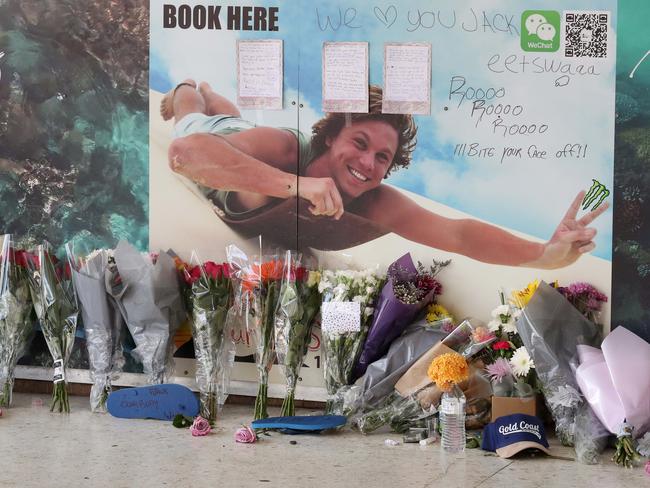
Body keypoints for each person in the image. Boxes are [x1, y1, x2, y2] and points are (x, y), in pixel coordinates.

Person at [163, 80, 608, 269]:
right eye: (359, 144)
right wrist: (297, 186)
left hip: (240, 142)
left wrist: (544, 254)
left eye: (382, 157)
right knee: (198, 113)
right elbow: (185, 154)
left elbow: (457, 235)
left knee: (228, 109)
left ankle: (212, 93)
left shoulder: (373, 200)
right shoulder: (285, 148)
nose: (367, 164)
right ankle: (191, 87)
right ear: (334, 135)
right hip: (218, 142)